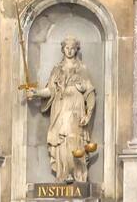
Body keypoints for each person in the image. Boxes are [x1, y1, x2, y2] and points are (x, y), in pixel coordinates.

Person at [23, 38, 98, 184]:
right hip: (60, 108)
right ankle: (64, 173)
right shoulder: (57, 69)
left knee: (73, 139)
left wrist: (88, 114)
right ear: (63, 49)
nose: (69, 50)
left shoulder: (82, 69)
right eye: (67, 48)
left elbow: (90, 92)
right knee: (61, 140)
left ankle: (76, 173)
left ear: (76, 50)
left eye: (72, 48)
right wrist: (36, 93)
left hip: (76, 108)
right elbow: (50, 90)